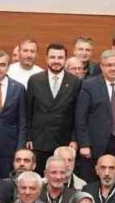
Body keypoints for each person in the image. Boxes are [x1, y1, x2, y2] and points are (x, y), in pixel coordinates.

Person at [74, 50, 115, 182]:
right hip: (95, 144)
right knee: (93, 181)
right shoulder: (89, 85)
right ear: (101, 66)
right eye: (109, 65)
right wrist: (84, 144)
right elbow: (80, 117)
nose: (113, 68)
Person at [25, 42, 82, 172]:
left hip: (64, 141)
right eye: (52, 57)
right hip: (39, 141)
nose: (56, 61)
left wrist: (74, 139)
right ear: (46, 58)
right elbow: (28, 111)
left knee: (61, 176)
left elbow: (77, 113)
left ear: (65, 59)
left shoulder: (75, 82)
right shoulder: (35, 80)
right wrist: (29, 137)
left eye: (60, 57)